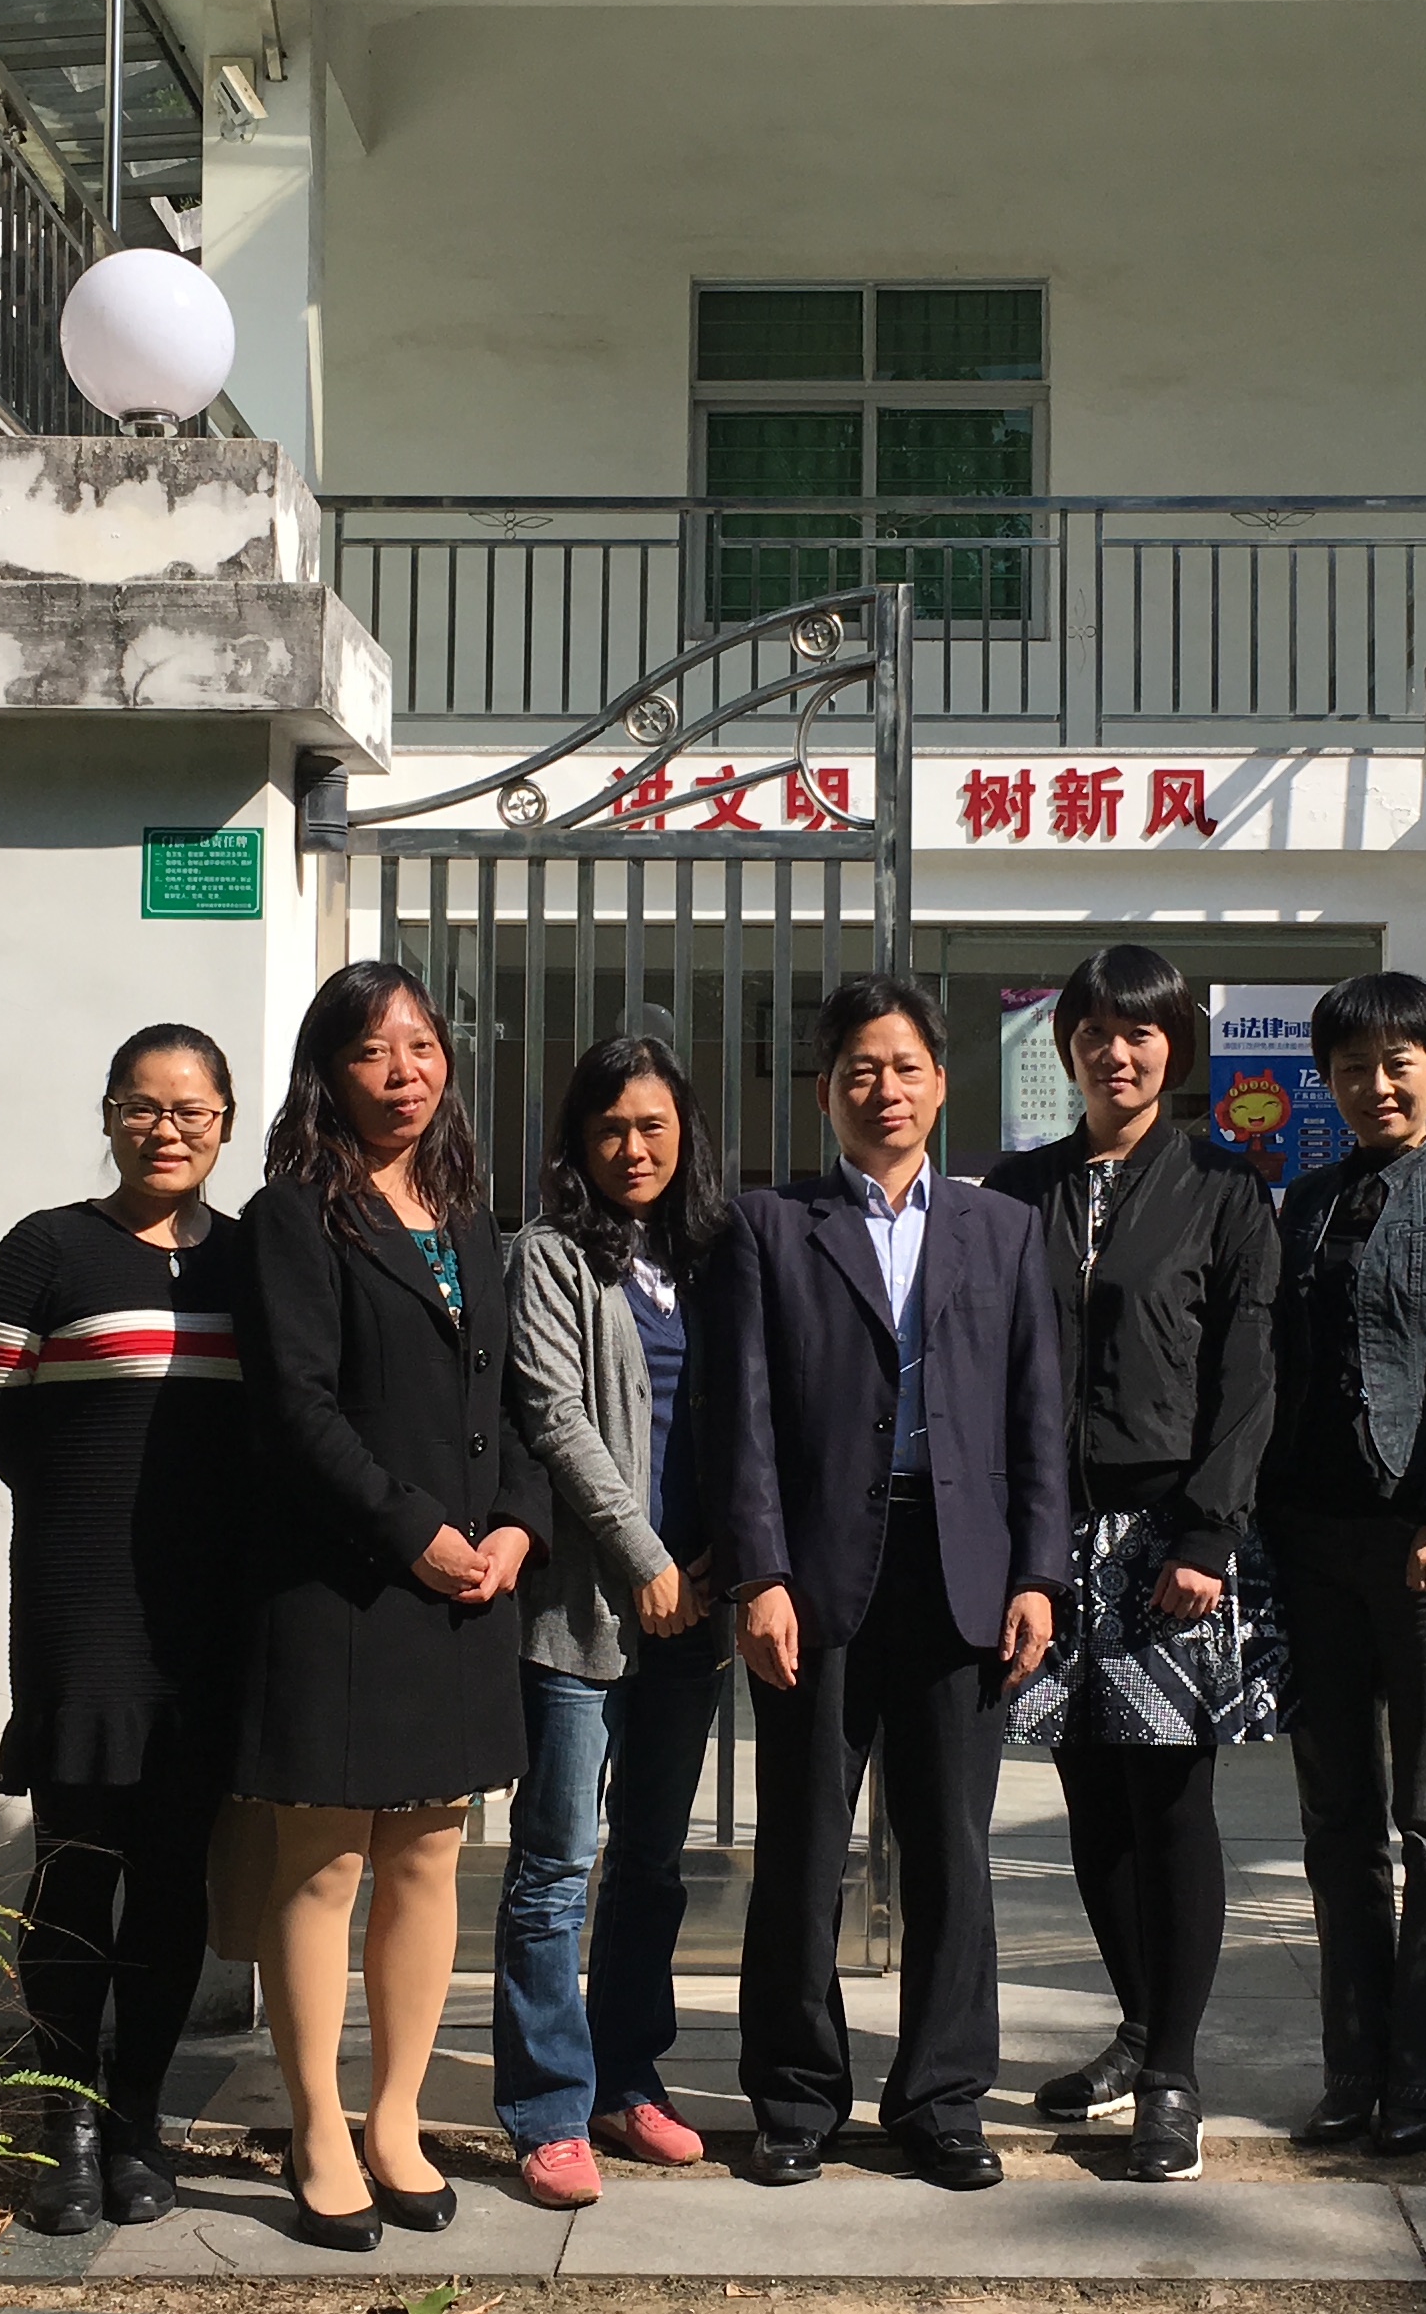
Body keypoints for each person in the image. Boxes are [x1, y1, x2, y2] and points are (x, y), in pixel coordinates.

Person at [704, 969, 1069, 2193]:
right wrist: (758, 1574)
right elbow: (741, 1419)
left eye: (906, 1066)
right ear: (826, 1091)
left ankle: (942, 2101)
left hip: (962, 1574)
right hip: (816, 1579)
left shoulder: (1002, 1229)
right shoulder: (770, 1226)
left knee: (953, 1853)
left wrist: (1038, 1572)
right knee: (803, 1849)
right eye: (861, 1069)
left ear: (941, 1084)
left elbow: (1037, 1415)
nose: (885, 1088)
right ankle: (796, 2098)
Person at [239, 962, 547, 2249]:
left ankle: (397, 2119)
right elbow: (295, 1409)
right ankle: (318, 2127)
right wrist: (412, 1530)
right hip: (342, 1584)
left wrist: (517, 1521)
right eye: (372, 1051)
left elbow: (509, 1398)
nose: (403, 1071)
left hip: (463, 1590)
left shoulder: (469, 1217)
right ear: (328, 1071)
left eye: (420, 1045)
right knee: (324, 1864)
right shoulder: (292, 1217)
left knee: (428, 1854)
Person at [982, 946, 1283, 2186]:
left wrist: (1210, 1533)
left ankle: (1175, 2076)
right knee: (1090, 1798)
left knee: (1169, 1801)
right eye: (1096, 1032)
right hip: (1052, 1533)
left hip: (1172, 1536)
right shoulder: (1019, 1188)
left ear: (1176, 1046)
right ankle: (1137, 2029)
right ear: (1066, 1048)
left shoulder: (1225, 1187)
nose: (1117, 1052)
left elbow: (1250, 1376)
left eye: (1142, 1031)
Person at [0, 1023, 250, 2235]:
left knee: (175, 1872)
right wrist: (83, 1497)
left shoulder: (250, 1261)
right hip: (82, 1601)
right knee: (77, 1862)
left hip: (209, 1607)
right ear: (111, 1115)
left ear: (225, 1123)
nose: (165, 1129)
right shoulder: (48, 1248)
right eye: (142, 1106)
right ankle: (65, 2122)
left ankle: (138, 2118)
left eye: (190, 1110)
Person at [1264, 970, 1426, 2159]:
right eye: (1353, 1068)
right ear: (1327, 1080)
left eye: (1398, 1064)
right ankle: (1350, 2072)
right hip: (1312, 1542)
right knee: (1337, 1825)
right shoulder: (1305, 1201)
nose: (1376, 1085)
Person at [492, 1033, 738, 2208]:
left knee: (651, 1862)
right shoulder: (548, 1257)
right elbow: (553, 1416)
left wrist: (721, 1561)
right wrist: (644, 1561)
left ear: (685, 1130)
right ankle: (547, 2108)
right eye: (609, 1129)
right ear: (577, 1142)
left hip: (699, 1606)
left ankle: (626, 2079)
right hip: (583, 1612)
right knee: (556, 1863)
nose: (633, 1148)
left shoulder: (715, 1257)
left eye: (652, 1125)